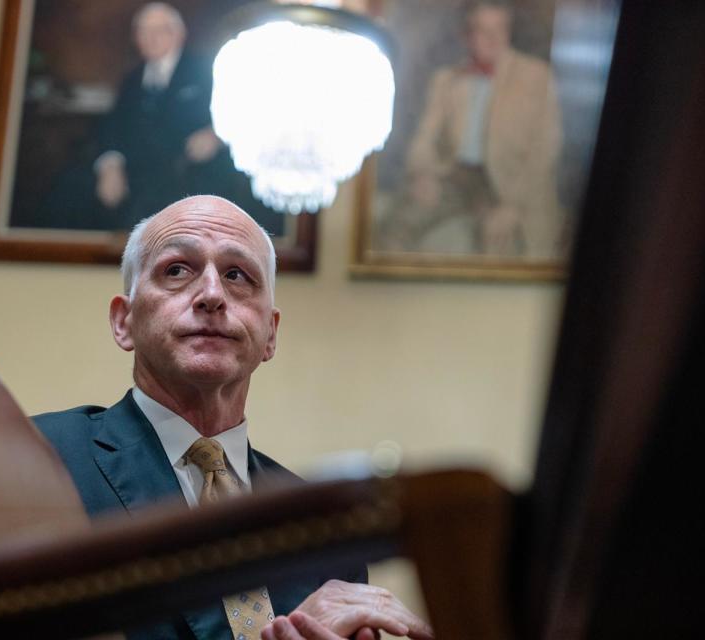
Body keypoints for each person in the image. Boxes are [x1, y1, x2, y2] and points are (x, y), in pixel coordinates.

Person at [35, 195, 433, 640]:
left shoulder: (324, 531)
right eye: (177, 270)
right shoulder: (39, 459)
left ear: (270, 335)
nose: (211, 295)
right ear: (123, 320)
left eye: (237, 275)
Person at [386, 0, 564, 259]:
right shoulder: (446, 79)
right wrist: (423, 173)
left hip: (508, 183)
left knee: (500, 242)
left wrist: (513, 205)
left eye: (500, 30)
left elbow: (547, 148)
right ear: (467, 37)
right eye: (483, 31)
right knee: (397, 226)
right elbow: (424, 138)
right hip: (454, 175)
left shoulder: (536, 75)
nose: (493, 39)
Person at [94, 3, 283, 234]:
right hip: (142, 184)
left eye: (159, 30)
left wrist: (216, 134)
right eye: (143, 31)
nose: (150, 38)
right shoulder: (131, 81)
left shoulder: (207, 69)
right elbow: (114, 127)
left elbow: (248, 111)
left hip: (196, 182)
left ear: (178, 34)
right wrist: (110, 165)